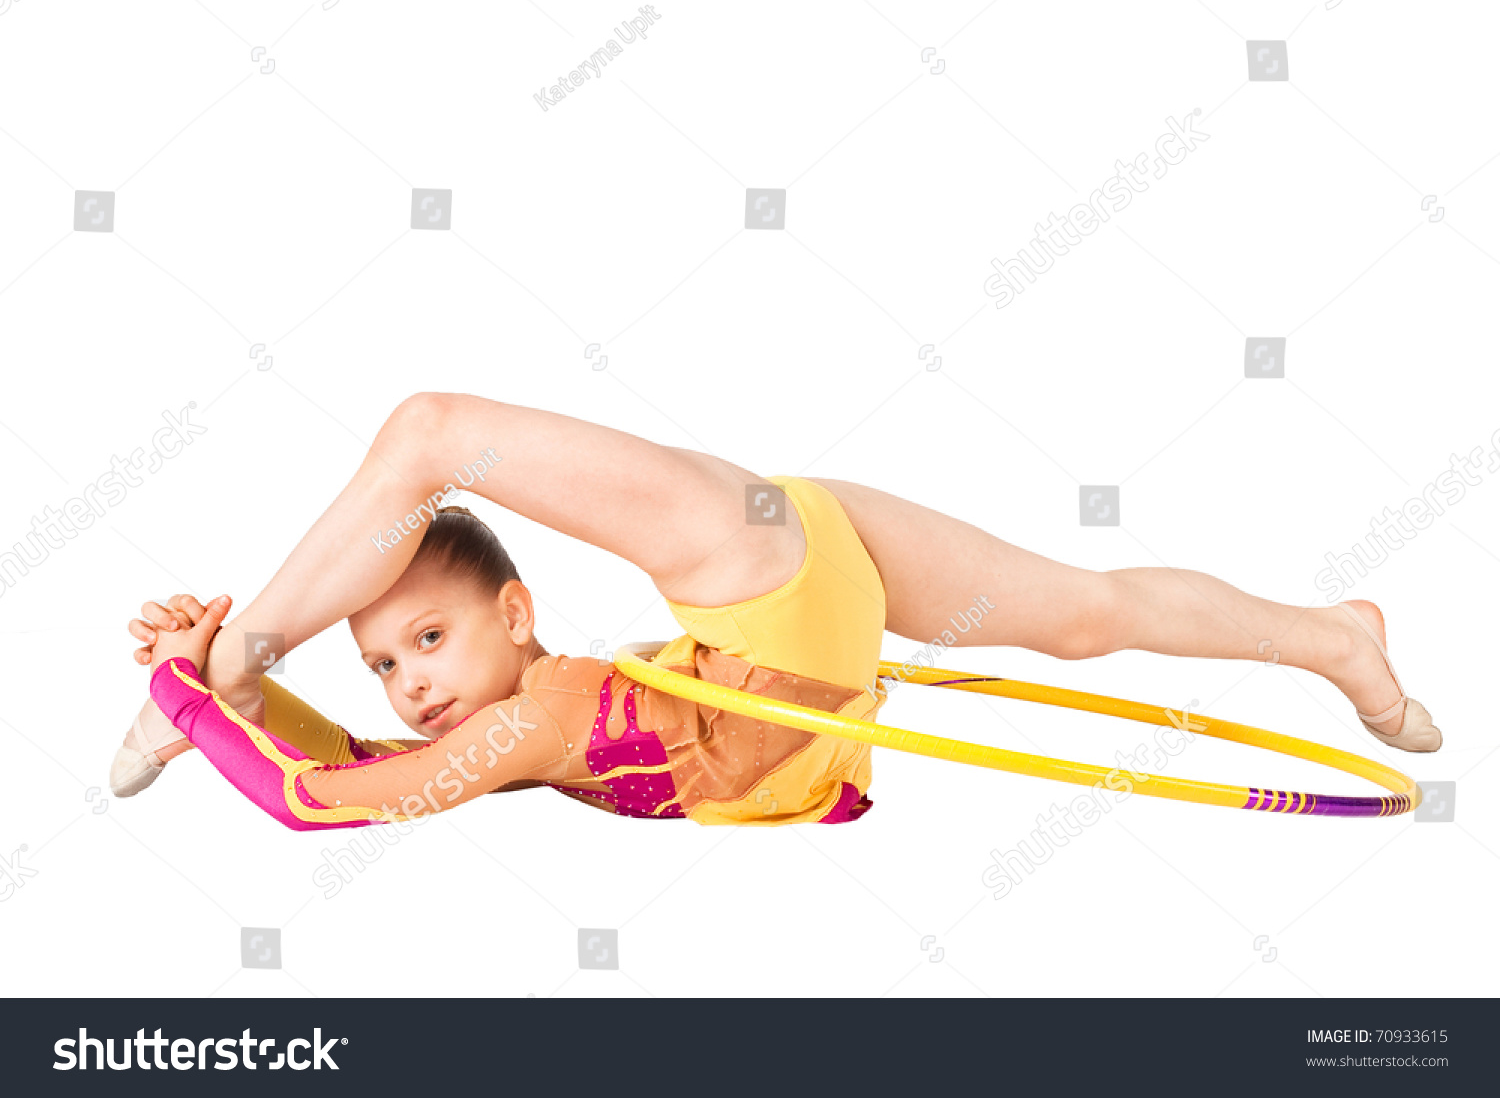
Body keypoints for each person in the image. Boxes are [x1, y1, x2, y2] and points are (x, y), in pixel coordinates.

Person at [113, 393, 1442, 829]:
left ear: (518, 613)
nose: (407, 679)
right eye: (386, 659)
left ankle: (244, 636)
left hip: (749, 579)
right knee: (1084, 614)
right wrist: (235, 701)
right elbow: (361, 758)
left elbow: (324, 800)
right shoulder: (519, 721)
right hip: (801, 580)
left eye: (430, 634)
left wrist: (199, 681)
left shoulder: (545, 712)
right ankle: (1338, 638)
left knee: (428, 430)